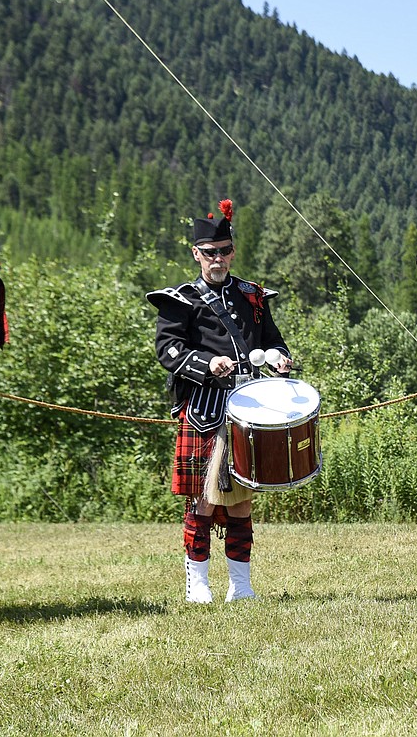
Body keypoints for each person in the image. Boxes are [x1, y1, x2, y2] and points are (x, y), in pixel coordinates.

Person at [147, 199, 292, 603]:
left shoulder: (252, 295)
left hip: (249, 411)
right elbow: (168, 351)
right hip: (205, 412)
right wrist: (209, 364)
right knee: (203, 503)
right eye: (210, 253)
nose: (219, 259)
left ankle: (241, 587)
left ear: (232, 251)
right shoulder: (180, 300)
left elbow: (272, 340)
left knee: (242, 502)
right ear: (196, 254)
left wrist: (280, 356)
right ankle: (198, 585)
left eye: (225, 251)